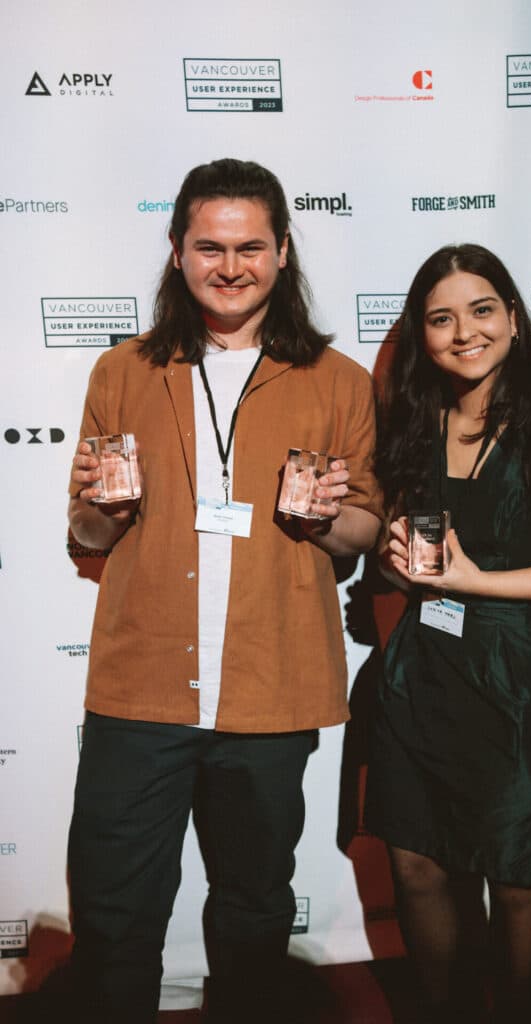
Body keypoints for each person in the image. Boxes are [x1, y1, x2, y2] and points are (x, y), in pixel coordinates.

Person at [64, 158, 381, 1023]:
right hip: (142, 691)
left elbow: (363, 533)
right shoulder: (122, 369)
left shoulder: (339, 381)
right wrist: (101, 508)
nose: (230, 265)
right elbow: (85, 536)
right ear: (177, 252)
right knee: (116, 914)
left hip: (271, 689)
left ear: (283, 253)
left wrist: (325, 518)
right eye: (210, 246)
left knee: (251, 915)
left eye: (250, 246)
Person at [365, 243, 531, 1022]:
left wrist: (476, 581)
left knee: (518, 881)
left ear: (513, 320)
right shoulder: (416, 423)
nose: (463, 332)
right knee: (414, 866)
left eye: (481, 310)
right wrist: (393, 564)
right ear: (421, 334)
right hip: (420, 677)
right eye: (440, 318)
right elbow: (413, 565)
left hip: (519, 687)